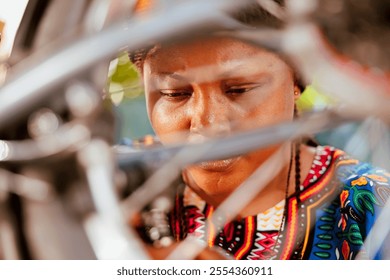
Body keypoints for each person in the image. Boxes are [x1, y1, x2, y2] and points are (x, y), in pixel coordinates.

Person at [128, 1, 390, 260]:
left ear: (297, 78)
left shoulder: (372, 208)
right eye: (174, 94)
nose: (209, 122)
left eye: (240, 89)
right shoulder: (112, 184)